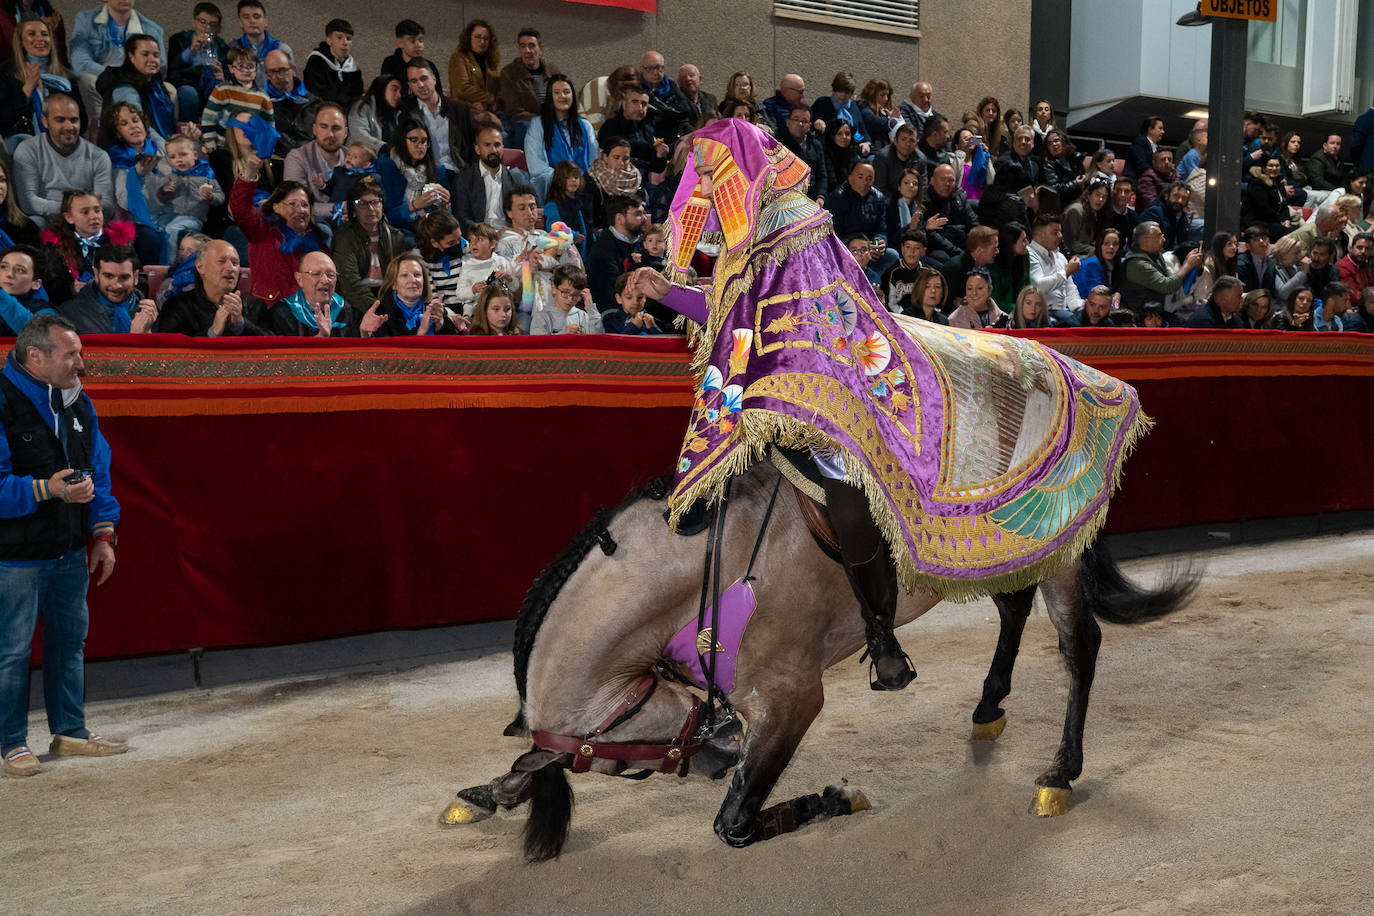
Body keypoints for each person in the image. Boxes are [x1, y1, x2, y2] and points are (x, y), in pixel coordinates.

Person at [626, 119, 1148, 691]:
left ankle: (880, 634)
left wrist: (787, 368)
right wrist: (666, 292)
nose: (700, 187)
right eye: (697, 176)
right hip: (778, 382)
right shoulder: (745, 236)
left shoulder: (795, 223)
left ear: (737, 168)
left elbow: (822, 317)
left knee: (845, 487)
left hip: (837, 374)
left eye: (707, 173)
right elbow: (735, 313)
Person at [0, 314, 125, 779]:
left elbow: (99, 472)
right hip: (14, 556)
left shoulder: (78, 401)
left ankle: (69, 731)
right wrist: (46, 490)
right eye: (71, 354)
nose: (80, 363)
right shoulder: (2, 400)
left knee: (70, 643)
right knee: (11, 652)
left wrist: (103, 534)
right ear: (35, 356)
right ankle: (11, 743)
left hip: (69, 549)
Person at [230, 151, 327, 307]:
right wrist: (250, 172)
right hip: (272, 310)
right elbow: (240, 210)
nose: (300, 210)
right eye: (292, 204)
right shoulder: (263, 232)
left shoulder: (318, 243)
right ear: (275, 207)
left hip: (312, 312)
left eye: (305, 205)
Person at [12, 94, 113, 222]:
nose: (69, 127)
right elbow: (28, 203)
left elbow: (107, 205)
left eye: (74, 120)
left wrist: (79, 212)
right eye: (60, 120)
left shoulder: (99, 156)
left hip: (86, 222)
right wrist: (75, 209)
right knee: (35, 221)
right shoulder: (28, 150)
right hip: (48, 222)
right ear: (45, 121)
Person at [495, 183, 581, 330]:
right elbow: (508, 291)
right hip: (524, 308)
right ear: (509, 213)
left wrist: (569, 246)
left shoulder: (549, 236)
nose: (529, 212)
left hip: (560, 302)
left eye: (532, 206)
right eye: (522, 208)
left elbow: (579, 272)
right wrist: (528, 268)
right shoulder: (504, 243)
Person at [70, 0, 164, 119]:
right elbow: (80, 63)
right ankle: (98, 123)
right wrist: (114, 73)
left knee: (170, 90)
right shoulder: (86, 20)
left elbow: (161, 65)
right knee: (87, 79)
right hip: (101, 76)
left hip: (138, 77)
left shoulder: (153, 29)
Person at [39, 189, 134, 302]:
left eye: (97, 210)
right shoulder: (56, 246)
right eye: (85, 212)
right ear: (69, 218)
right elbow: (52, 286)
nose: (94, 216)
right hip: (78, 304)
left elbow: (138, 276)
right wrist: (71, 289)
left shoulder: (118, 239)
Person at [0, 16, 85, 140]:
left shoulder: (65, 77)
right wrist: (27, 90)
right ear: (21, 41)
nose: (40, 39)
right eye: (31, 34)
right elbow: (3, 121)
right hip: (22, 143)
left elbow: (83, 122)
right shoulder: (6, 73)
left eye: (44, 34)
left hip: (64, 142)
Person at [156, 237, 264, 334]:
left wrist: (240, 324)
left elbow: (270, 342)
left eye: (235, 263)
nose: (230, 268)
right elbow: (169, 346)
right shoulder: (177, 306)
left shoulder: (254, 306)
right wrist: (212, 333)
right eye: (221, 261)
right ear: (200, 266)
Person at [331, 178, 402, 316]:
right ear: (353, 209)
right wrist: (377, 310)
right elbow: (349, 282)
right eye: (362, 203)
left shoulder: (395, 236)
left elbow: (399, 278)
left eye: (375, 202)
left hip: (388, 297)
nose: (370, 208)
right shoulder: (345, 236)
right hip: (356, 301)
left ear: (382, 206)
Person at [524, 73, 597, 201]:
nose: (562, 96)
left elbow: (594, 161)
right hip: (554, 185)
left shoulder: (585, 126)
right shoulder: (538, 125)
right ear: (550, 97)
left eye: (566, 92)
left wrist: (579, 181)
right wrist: (567, 180)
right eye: (557, 92)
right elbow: (536, 167)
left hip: (583, 185)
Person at [56, 243, 155, 333]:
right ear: (96, 275)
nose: (117, 285)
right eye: (108, 276)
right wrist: (136, 337)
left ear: (136, 277)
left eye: (124, 277)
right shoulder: (70, 315)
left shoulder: (150, 313)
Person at [376, 120, 452, 235]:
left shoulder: (438, 171)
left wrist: (444, 206)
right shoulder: (386, 166)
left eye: (424, 141)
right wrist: (414, 205)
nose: (420, 146)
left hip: (427, 230)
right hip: (395, 230)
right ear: (402, 141)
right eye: (413, 140)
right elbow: (384, 215)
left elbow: (441, 217)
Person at [282, 102, 347, 235]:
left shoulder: (354, 157)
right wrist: (341, 208)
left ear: (345, 132)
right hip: (313, 223)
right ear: (314, 129)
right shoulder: (297, 157)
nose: (330, 134)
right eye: (324, 127)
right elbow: (296, 205)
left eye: (336, 128)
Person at [401, 58, 472, 176]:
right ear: (410, 86)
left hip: (458, 172)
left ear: (434, 79)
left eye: (424, 78)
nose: (420, 85)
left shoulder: (459, 110)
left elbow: (471, 147)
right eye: (414, 81)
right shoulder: (407, 115)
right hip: (425, 174)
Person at [1120, 221, 1202, 321]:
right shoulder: (1137, 263)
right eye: (1159, 236)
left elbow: (1172, 278)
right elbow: (1166, 286)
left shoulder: (1156, 256)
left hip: (1158, 314)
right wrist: (1188, 265)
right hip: (1142, 319)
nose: (1164, 239)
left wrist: (1187, 263)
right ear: (1145, 240)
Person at [270, 250, 358, 336]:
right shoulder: (282, 313)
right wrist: (321, 338)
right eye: (316, 274)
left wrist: (364, 334)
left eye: (331, 275)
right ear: (300, 279)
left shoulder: (348, 313)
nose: (325, 280)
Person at [367, 252, 455, 336]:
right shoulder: (381, 313)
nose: (413, 280)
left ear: (424, 281)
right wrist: (420, 333)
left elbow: (451, 342)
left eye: (417, 275)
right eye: (404, 275)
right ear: (393, 284)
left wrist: (440, 324)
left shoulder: (436, 309)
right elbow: (385, 345)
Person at [586, 194, 647, 311]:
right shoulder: (602, 250)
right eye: (638, 214)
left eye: (644, 213)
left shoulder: (645, 242)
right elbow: (609, 295)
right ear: (620, 219)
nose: (644, 218)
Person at [165, 2, 226, 119]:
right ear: (193, 23)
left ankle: (213, 127)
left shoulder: (224, 48)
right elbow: (172, 71)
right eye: (202, 22)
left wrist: (224, 77)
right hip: (186, 82)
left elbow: (230, 75)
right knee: (188, 93)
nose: (206, 27)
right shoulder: (179, 40)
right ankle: (189, 128)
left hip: (212, 83)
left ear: (218, 28)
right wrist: (190, 50)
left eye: (212, 24)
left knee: (221, 92)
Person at [498, 28, 557, 149]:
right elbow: (514, 111)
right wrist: (541, 121)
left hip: (552, 120)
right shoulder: (509, 73)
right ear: (519, 50)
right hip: (523, 122)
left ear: (541, 49)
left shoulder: (552, 71)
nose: (527, 51)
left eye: (532, 46)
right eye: (523, 46)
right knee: (526, 127)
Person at [262, 48, 318, 155]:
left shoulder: (315, 104)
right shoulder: (261, 105)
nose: (278, 76)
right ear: (267, 74)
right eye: (272, 72)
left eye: (283, 70)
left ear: (293, 69)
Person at [1027, 213, 1083, 320]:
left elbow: (1070, 290)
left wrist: (1079, 309)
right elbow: (1038, 287)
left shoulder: (1060, 257)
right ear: (1039, 234)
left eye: (1060, 231)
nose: (1060, 236)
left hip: (1064, 311)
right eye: (1055, 232)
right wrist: (1066, 272)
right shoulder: (1029, 254)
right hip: (1042, 312)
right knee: (1070, 320)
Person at [922, 163, 977, 269]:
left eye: (951, 180)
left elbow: (973, 223)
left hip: (963, 243)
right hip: (940, 247)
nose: (947, 184)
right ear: (932, 181)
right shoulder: (925, 201)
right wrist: (958, 252)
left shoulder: (960, 196)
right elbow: (933, 236)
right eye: (943, 179)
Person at [454, 221, 513, 316]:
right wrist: (473, 290)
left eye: (479, 239)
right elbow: (460, 294)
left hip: (502, 309)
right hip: (478, 310)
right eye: (470, 240)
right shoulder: (467, 266)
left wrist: (507, 277)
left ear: (492, 244)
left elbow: (515, 287)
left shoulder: (501, 261)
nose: (473, 243)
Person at [302, 18, 360, 110]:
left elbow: (357, 97)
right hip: (319, 111)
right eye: (339, 38)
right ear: (329, 40)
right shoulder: (316, 61)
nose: (345, 43)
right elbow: (316, 95)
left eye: (348, 39)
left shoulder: (353, 67)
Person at [413, 209, 464, 312]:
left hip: (469, 303)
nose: (459, 244)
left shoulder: (467, 247)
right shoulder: (420, 259)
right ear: (435, 243)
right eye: (451, 243)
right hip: (442, 309)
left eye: (459, 238)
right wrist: (451, 316)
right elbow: (432, 297)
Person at [530, 263, 602, 334]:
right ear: (553, 288)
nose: (570, 299)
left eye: (575, 294)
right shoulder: (542, 317)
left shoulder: (583, 316)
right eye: (565, 292)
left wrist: (590, 307)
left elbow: (598, 338)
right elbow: (538, 341)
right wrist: (563, 334)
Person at [447, 19, 499, 117]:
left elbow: (496, 89)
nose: (482, 41)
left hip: (488, 111)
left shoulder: (491, 63)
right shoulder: (459, 58)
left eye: (486, 38)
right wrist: (490, 98)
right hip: (465, 111)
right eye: (478, 37)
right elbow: (462, 88)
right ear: (468, 38)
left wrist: (489, 104)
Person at [231, 0, 288, 90]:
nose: (252, 21)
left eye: (256, 16)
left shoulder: (282, 50)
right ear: (240, 23)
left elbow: (289, 83)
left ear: (265, 22)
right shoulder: (232, 49)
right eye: (246, 17)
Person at [543, 161, 595, 258]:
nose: (573, 180)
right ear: (559, 181)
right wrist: (573, 235)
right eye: (567, 177)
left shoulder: (583, 200)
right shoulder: (553, 204)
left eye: (576, 177)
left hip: (587, 251)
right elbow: (554, 227)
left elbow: (588, 225)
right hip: (567, 253)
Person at [378, 19, 438, 98]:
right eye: (412, 41)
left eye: (420, 40)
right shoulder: (390, 64)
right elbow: (387, 94)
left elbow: (438, 94)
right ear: (400, 43)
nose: (418, 45)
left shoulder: (429, 65)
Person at [0, 244, 49, 334]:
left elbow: (38, 334)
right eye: (3, 267)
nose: (9, 274)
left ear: (36, 283)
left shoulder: (45, 310)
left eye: (20, 270)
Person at [347, 74, 401, 154]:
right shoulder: (362, 106)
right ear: (382, 88)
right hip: (359, 157)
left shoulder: (397, 114)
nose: (399, 95)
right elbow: (359, 134)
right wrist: (382, 147)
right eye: (394, 89)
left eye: (400, 91)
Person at [1241, 157, 1292, 241]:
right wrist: (1280, 221)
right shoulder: (1256, 184)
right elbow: (1264, 209)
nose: (1274, 168)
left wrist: (1287, 219)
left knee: (1297, 230)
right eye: (1271, 166)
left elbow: (1284, 205)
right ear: (1264, 168)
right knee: (1290, 233)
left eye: (1277, 166)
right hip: (1258, 222)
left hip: (1274, 221)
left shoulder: (1279, 182)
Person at [873, 122, 922, 200]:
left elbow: (922, 189)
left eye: (912, 140)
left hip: (912, 202)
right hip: (888, 202)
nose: (908, 144)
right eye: (904, 139)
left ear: (916, 144)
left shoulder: (920, 159)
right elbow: (879, 191)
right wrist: (901, 203)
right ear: (895, 141)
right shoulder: (882, 158)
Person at [603, 270, 661, 335]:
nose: (635, 302)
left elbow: (664, 339)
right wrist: (633, 326)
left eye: (640, 297)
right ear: (619, 298)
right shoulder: (611, 319)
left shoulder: (651, 319)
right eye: (629, 297)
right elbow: (614, 341)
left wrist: (652, 327)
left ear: (646, 297)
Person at [1061, 179, 1109, 257]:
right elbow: (1070, 244)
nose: (1101, 199)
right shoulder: (1075, 210)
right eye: (1097, 194)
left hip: (1085, 252)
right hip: (1071, 256)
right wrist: (1094, 249)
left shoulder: (1093, 211)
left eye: (1104, 197)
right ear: (1088, 194)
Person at [1072, 227, 1122, 300]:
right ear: (1099, 245)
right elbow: (1098, 296)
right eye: (1106, 243)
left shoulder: (1114, 264)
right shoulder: (1092, 263)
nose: (1111, 247)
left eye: (1115, 244)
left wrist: (1117, 294)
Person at [1193, 231, 1237, 307]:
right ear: (1219, 246)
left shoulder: (1229, 262)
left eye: (1235, 244)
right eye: (1229, 244)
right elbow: (1207, 293)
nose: (1234, 247)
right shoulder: (1210, 264)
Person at [949, 128, 993, 204]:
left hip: (980, 202)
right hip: (962, 203)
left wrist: (986, 156)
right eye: (966, 139)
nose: (970, 141)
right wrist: (959, 154)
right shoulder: (952, 159)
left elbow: (991, 180)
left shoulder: (979, 161)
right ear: (957, 144)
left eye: (972, 138)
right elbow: (954, 179)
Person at [1237, 225, 1277, 295]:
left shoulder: (1271, 263)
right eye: (1255, 239)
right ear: (1248, 246)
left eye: (1264, 238)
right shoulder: (1240, 264)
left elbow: (1272, 291)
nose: (1261, 241)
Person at [1133, 147, 1174, 212]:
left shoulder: (1175, 175)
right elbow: (1153, 204)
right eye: (1163, 159)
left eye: (1169, 159)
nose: (1167, 162)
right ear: (1154, 163)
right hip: (1152, 215)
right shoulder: (1146, 179)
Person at [1123, 116, 1164, 181]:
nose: (1163, 132)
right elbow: (1142, 166)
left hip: (1150, 181)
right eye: (1160, 128)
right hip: (1134, 181)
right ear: (1150, 129)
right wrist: (1158, 177)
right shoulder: (1139, 142)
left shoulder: (1158, 148)